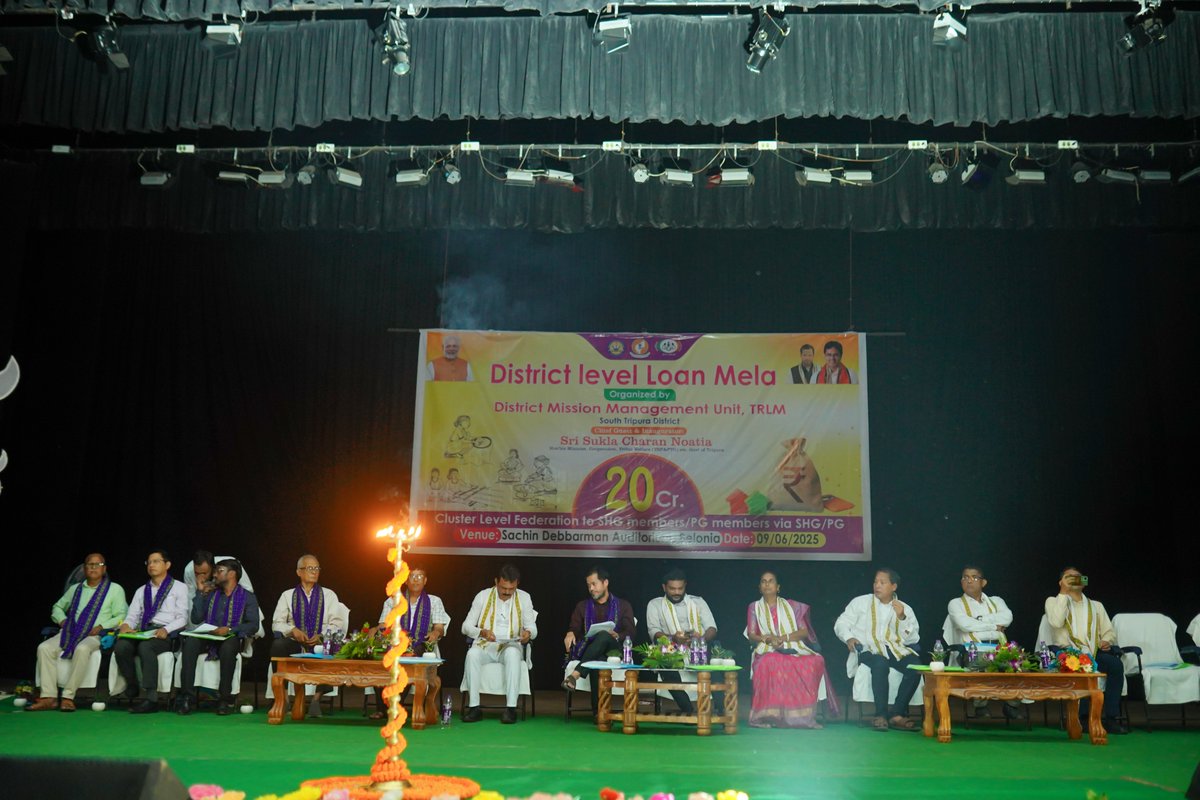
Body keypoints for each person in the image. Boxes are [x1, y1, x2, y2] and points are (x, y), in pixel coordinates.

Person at [29, 553, 128, 712]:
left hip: (95, 634)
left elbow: (122, 615)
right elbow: (57, 607)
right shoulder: (75, 589)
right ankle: (49, 697)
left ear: (104, 569)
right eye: (90, 564)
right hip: (70, 631)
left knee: (82, 649)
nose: (93, 567)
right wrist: (62, 620)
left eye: (98, 565)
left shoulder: (115, 589)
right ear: (84, 568)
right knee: (44, 648)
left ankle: (68, 697)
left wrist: (102, 626)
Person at [744, 571, 838, 728]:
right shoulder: (754, 607)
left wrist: (784, 638)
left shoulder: (793, 607)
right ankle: (769, 715)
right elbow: (751, 634)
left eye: (771, 581)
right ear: (759, 587)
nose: (767, 584)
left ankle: (802, 717)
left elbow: (804, 632)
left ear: (778, 587)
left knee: (815, 660)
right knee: (771, 660)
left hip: (791, 645)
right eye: (763, 581)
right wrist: (767, 639)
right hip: (767, 648)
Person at [833, 568, 920, 731]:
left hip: (894, 649)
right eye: (875, 582)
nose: (877, 586)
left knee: (915, 667)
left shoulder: (905, 609)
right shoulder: (860, 602)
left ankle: (896, 714)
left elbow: (913, 639)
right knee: (881, 663)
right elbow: (841, 623)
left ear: (893, 586)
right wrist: (849, 637)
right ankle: (880, 715)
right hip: (868, 649)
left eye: (882, 582)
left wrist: (902, 618)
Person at [1044, 566, 1126, 734]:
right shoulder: (1053, 601)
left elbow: (1109, 631)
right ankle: (1082, 718)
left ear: (1083, 582)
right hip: (1068, 653)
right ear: (1061, 582)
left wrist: (1106, 640)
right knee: (1082, 667)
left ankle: (1110, 718)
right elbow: (1056, 622)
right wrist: (1063, 592)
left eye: (1077, 577)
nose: (1074, 579)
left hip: (1093, 652)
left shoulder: (1096, 606)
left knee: (1115, 665)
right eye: (1069, 577)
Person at [176, 559, 261, 716]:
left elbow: (253, 625)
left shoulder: (247, 597)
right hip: (209, 636)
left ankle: (224, 700)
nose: (214, 574)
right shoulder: (211, 593)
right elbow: (196, 618)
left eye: (219, 571)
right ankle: (187, 698)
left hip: (231, 636)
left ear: (232, 574)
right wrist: (200, 592)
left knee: (228, 648)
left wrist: (229, 629)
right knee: (190, 643)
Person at [271, 554, 348, 717]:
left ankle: (315, 700)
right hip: (296, 642)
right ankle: (283, 699)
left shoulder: (329, 595)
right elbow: (276, 623)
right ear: (299, 572)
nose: (314, 571)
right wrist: (293, 630)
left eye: (317, 568)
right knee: (278, 645)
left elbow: (337, 624)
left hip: (320, 642)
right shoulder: (287, 595)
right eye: (310, 568)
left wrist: (321, 635)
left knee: (332, 648)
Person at [369, 565, 451, 719]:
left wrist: (435, 632)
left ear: (425, 581)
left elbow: (439, 627)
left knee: (409, 660)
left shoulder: (434, 601)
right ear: (406, 581)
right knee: (380, 659)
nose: (416, 580)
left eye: (420, 577)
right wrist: (375, 629)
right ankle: (382, 708)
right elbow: (384, 625)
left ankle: (394, 706)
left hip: (420, 644)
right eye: (412, 576)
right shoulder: (393, 600)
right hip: (395, 643)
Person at [461, 563, 538, 724]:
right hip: (486, 645)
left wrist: (528, 634)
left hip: (510, 645)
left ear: (517, 584)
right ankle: (474, 708)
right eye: (503, 588)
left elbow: (532, 627)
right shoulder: (482, 596)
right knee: (472, 654)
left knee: (513, 654)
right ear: (496, 581)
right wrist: (482, 632)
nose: (507, 592)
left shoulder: (524, 597)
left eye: (511, 589)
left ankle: (511, 709)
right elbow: (465, 627)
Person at [114, 549, 189, 714]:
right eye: (149, 562)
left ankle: (152, 699)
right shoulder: (142, 590)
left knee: (145, 647)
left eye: (156, 561)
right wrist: (126, 625)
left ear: (167, 565)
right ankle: (132, 684)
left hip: (166, 633)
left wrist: (166, 629)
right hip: (143, 631)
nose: (151, 565)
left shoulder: (179, 588)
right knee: (121, 646)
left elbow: (183, 618)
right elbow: (132, 616)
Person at [946, 565, 1023, 719]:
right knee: (984, 661)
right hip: (973, 650)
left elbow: (1007, 618)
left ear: (983, 582)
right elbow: (964, 625)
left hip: (1000, 648)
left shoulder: (996, 601)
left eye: (974, 577)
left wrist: (978, 620)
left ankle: (1011, 705)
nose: (969, 581)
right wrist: (994, 625)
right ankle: (980, 706)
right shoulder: (955, 603)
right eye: (965, 577)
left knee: (1019, 663)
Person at [561, 566, 637, 718]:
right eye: (588, 585)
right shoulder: (582, 606)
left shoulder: (623, 605)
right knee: (598, 660)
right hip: (591, 650)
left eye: (594, 584)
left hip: (615, 650)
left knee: (603, 635)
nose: (591, 588)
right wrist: (570, 633)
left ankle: (575, 674)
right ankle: (599, 713)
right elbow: (574, 627)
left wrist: (617, 635)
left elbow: (631, 632)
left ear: (605, 583)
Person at [644, 567, 717, 714]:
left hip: (698, 647)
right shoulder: (655, 604)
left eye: (680, 588)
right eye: (672, 589)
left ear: (685, 586)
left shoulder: (698, 602)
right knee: (663, 659)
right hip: (670, 647)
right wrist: (673, 638)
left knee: (716, 662)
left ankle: (722, 709)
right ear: (664, 587)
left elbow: (712, 628)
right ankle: (688, 709)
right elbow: (653, 631)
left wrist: (700, 639)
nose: (677, 592)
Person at [185, 550, 253, 604]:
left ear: (213, 568)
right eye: (196, 573)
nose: (201, 577)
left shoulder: (231, 565)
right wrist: (200, 591)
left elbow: (248, 590)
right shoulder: (189, 571)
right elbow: (190, 600)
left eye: (204, 573)